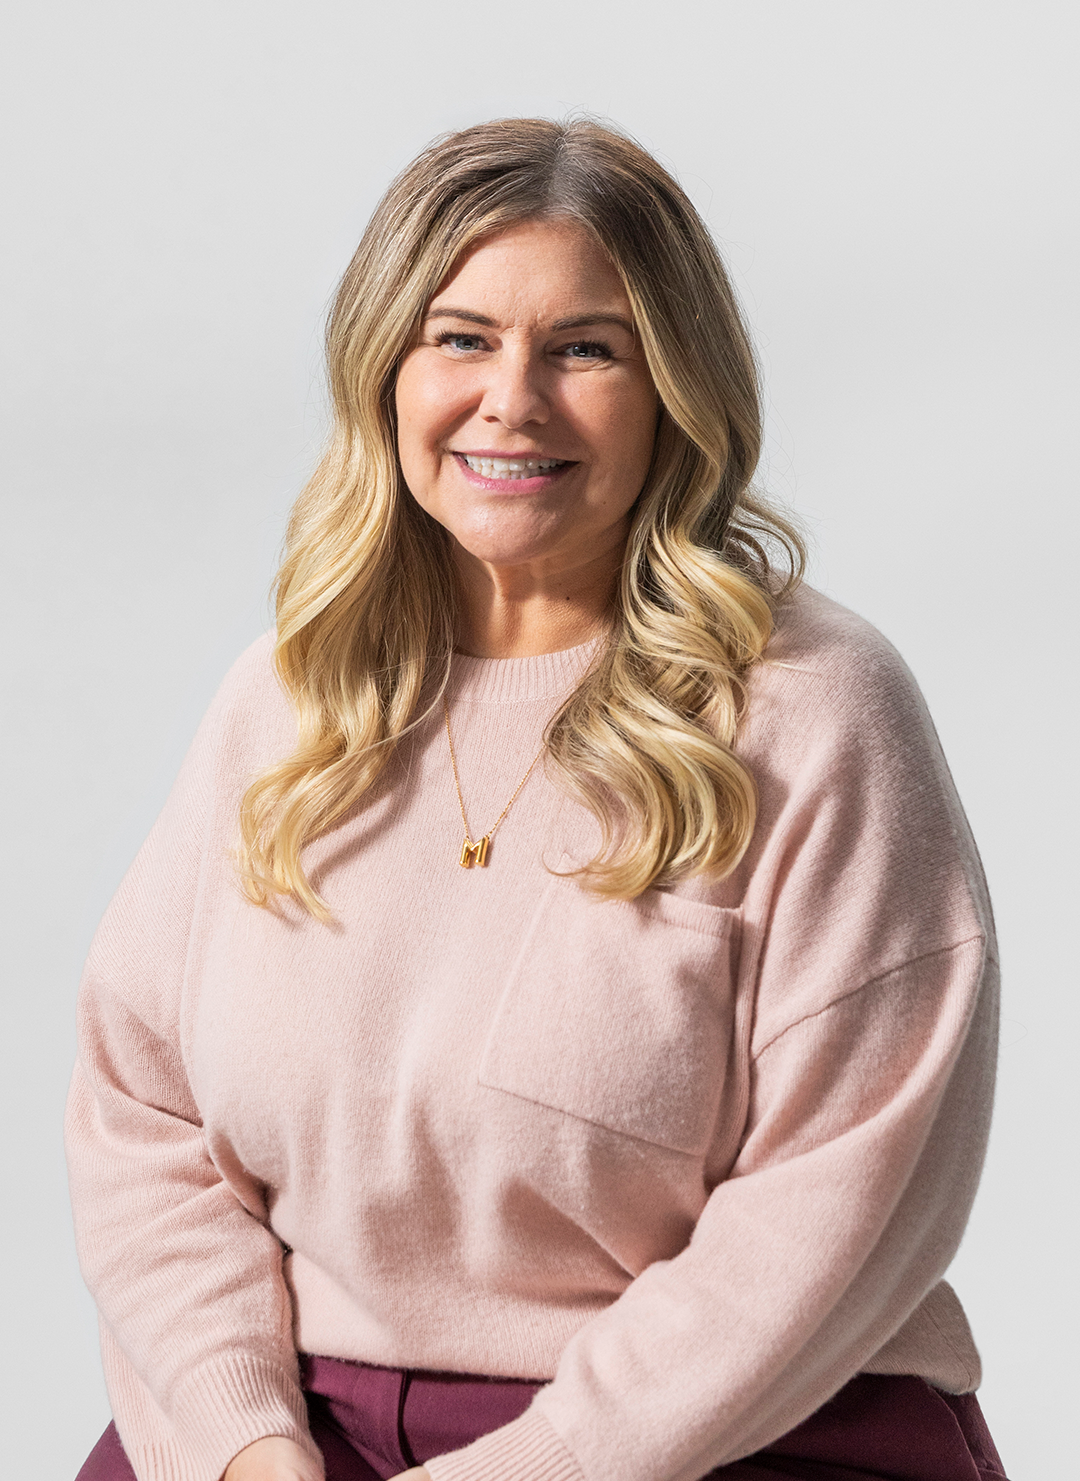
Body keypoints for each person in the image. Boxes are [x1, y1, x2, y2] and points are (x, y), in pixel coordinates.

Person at [67, 117, 1008, 1481]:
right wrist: (241, 1441)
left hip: (724, 1432)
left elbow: (838, 1200)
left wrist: (544, 1463)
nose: (513, 400)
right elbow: (141, 1122)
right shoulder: (289, 698)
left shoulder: (817, 712)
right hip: (296, 1434)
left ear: (676, 386)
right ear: (385, 369)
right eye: (460, 338)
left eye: (586, 348)